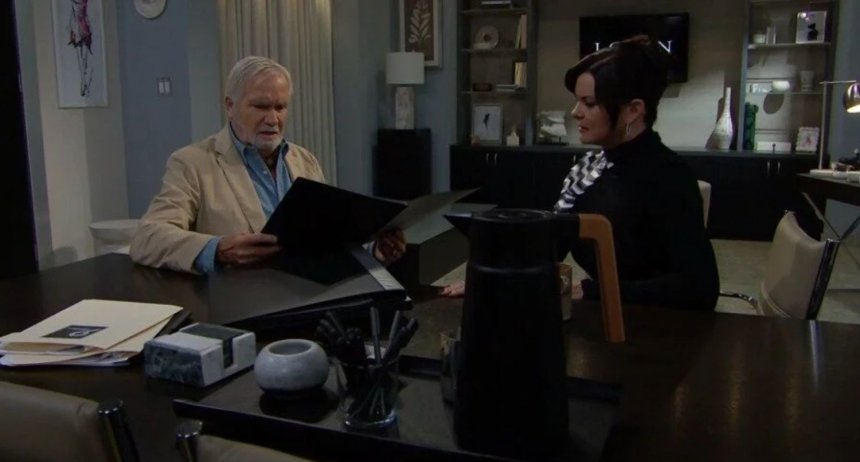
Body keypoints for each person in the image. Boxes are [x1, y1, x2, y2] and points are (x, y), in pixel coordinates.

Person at [442, 36, 719, 310]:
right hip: (603, 316)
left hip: (657, 325)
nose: (575, 112)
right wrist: (495, 278)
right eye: (577, 101)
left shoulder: (669, 176)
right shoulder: (588, 168)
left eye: (590, 102)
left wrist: (590, 290)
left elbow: (700, 288)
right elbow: (552, 245)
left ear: (633, 110)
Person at [131, 56, 405, 273]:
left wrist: (374, 252)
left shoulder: (304, 160)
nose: (273, 119)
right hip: (242, 308)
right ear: (230, 106)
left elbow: (326, 242)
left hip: (309, 298)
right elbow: (148, 239)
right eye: (261, 107)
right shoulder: (192, 163)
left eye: (280, 107)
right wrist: (217, 249)